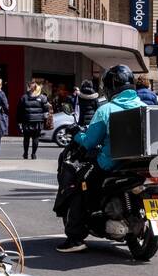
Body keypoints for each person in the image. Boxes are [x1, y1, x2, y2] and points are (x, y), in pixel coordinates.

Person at [57, 65, 146, 252]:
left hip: (111, 163)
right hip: (143, 163)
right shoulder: (145, 108)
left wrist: (76, 135)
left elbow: (89, 142)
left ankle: (75, 238)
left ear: (111, 86)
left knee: (79, 185)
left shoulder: (106, 110)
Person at [17, 80, 49, 160]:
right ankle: (34, 154)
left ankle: (25, 153)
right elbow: (46, 111)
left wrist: (19, 121)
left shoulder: (24, 97)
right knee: (35, 138)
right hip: (38, 121)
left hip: (26, 120)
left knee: (26, 138)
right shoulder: (43, 97)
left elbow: (19, 110)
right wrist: (45, 120)